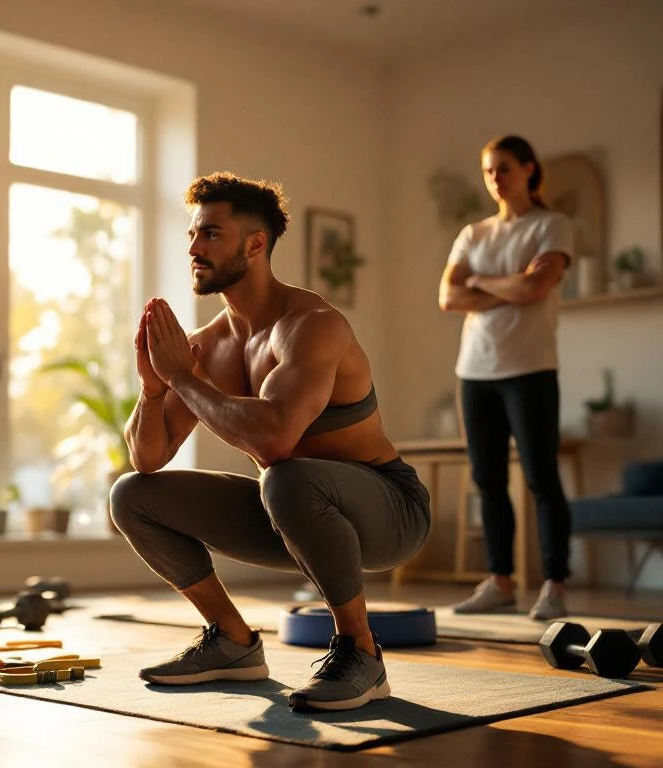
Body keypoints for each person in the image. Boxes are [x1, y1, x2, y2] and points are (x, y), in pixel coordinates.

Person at [109, 171, 431, 712]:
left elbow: (279, 440)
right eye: (192, 234)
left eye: (210, 233)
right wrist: (153, 387)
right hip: (291, 510)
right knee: (130, 495)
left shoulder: (312, 325)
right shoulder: (206, 347)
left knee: (286, 476)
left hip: (388, 511)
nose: (194, 247)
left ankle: (361, 650)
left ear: (255, 244)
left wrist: (183, 379)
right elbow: (148, 457)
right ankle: (232, 641)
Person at [438, 134, 575, 621]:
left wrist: (479, 281)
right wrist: (508, 287)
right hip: (475, 370)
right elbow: (448, 298)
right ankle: (500, 582)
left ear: (529, 170)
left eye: (505, 168)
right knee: (487, 479)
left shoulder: (551, 225)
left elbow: (538, 285)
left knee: (541, 478)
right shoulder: (474, 234)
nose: (496, 178)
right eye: (489, 170)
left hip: (531, 368)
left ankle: (555, 584)